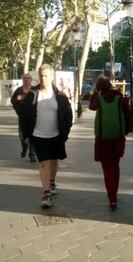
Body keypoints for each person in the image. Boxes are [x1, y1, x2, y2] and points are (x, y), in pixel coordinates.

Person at [20, 64, 73, 208]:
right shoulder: (32, 94)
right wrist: (25, 134)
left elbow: (68, 114)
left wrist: (66, 132)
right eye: (41, 75)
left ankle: (52, 182)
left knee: (54, 161)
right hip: (38, 135)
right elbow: (23, 116)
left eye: (46, 75)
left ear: (52, 76)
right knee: (43, 163)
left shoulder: (60, 96)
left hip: (56, 135)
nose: (43, 78)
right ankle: (46, 194)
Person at [89, 76, 133, 210]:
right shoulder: (119, 96)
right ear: (109, 85)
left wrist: (95, 92)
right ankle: (115, 192)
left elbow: (91, 106)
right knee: (115, 165)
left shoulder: (98, 98)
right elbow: (128, 113)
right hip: (118, 138)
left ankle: (112, 198)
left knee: (107, 168)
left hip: (103, 138)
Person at [11, 73, 36, 162]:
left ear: (31, 80)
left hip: (33, 117)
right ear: (22, 79)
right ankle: (24, 147)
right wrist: (18, 111)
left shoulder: (34, 90)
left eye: (28, 78)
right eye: (25, 78)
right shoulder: (19, 90)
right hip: (22, 117)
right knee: (22, 134)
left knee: (33, 134)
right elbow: (13, 101)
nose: (26, 80)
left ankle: (32, 154)